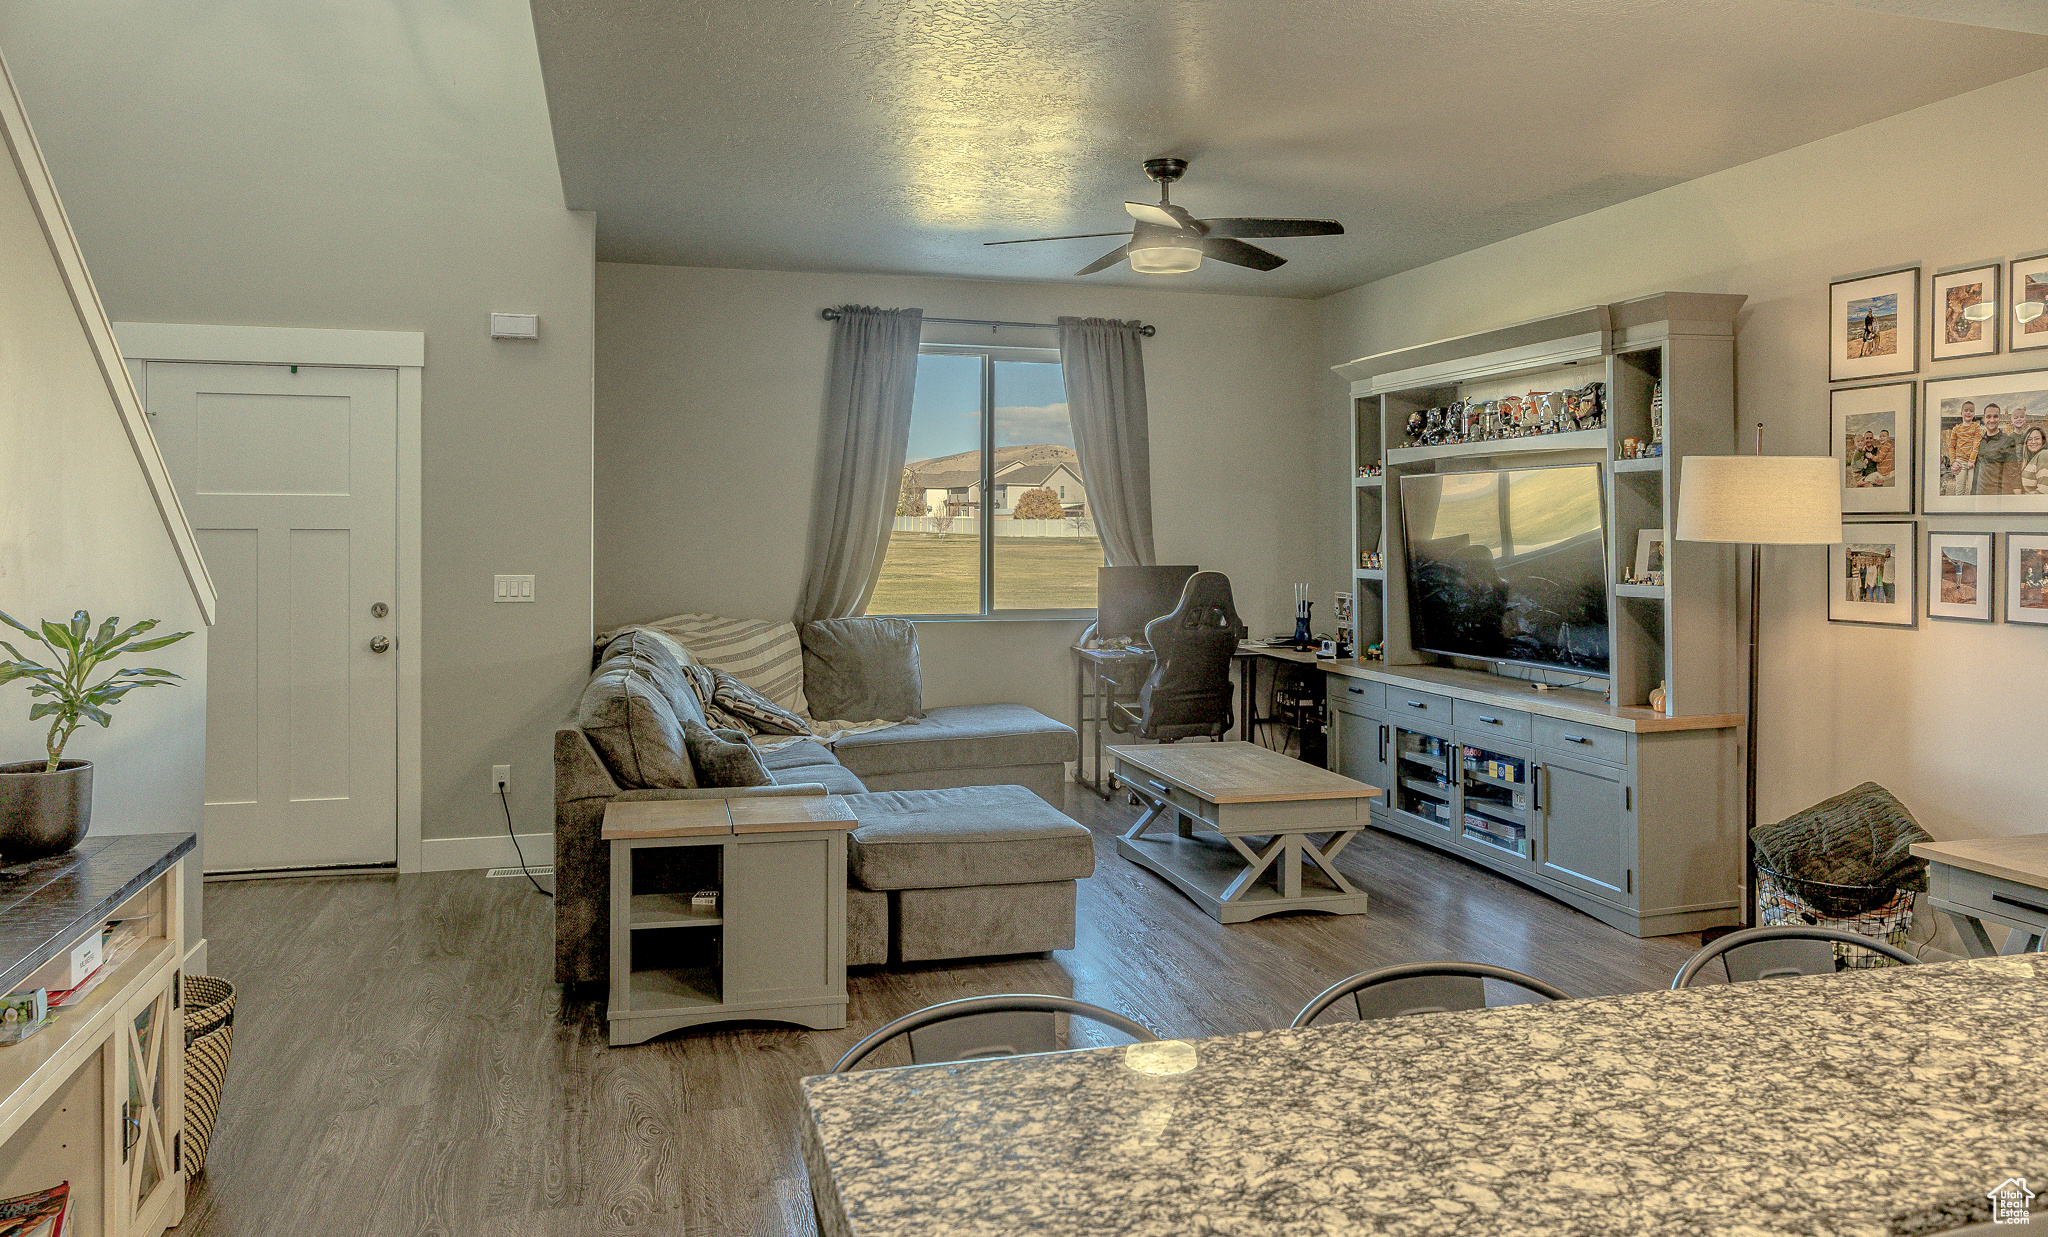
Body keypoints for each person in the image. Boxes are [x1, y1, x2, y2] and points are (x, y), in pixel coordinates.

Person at [1975, 404, 2025, 496]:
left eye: (1995, 416)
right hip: (1979, 493)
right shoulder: (1979, 441)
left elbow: (2013, 470)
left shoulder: (2007, 441)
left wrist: (2018, 492)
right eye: (1988, 417)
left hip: (1996, 494)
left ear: (2000, 418)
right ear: (1983, 419)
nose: (1992, 420)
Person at [1946, 401, 1984, 495]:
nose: (1968, 413)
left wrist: (1971, 460)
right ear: (1961, 413)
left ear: (1974, 414)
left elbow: (1976, 443)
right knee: (1960, 489)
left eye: (1971, 411)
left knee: (1973, 489)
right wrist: (1953, 462)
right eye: (1966, 410)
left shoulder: (1976, 427)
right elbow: (1951, 446)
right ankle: (1959, 508)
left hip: (1972, 462)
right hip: (1960, 462)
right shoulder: (1956, 429)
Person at [2023, 426, 2048, 495]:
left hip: (2035, 503)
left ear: (2043, 440)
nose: (2033, 442)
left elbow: (2044, 489)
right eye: (2030, 439)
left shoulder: (2044, 455)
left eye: (2037, 439)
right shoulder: (2034, 457)